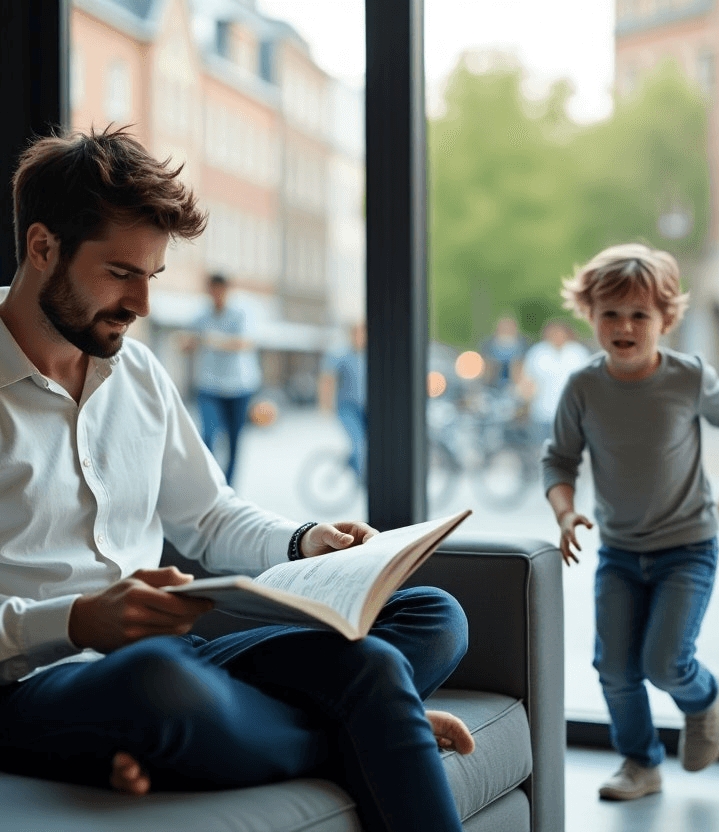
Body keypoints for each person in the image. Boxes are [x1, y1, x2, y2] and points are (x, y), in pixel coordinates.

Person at [0, 127, 474, 832]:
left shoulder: (135, 371)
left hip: (174, 656)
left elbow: (210, 516)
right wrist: (76, 620)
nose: (143, 304)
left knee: (434, 618)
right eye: (121, 272)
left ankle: (334, 720)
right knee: (162, 686)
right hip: (37, 683)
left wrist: (305, 541)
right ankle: (371, 722)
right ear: (43, 248)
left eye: (152, 277)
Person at [543, 243, 719, 802]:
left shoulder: (687, 378)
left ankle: (704, 696)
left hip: (687, 548)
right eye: (610, 314)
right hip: (618, 552)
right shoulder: (582, 388)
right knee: (615, 669)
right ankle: (640, 763)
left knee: (665, 663)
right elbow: (559, 460)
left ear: (665, 320)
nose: (624, 326)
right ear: (589, 315)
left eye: (639, 314)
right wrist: (567, 512)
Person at [186, 272, 262, 485]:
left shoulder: (241, 313)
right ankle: (210, 483)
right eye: (210, 290)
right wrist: (187, 343)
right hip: (209, 385)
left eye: (218, 290)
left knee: (234, 441)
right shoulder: (201, 317)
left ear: (226, 290)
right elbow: (192, 340)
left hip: (239, 386)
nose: (214, 295)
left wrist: (213, 340)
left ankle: (229, 489)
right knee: (208, 436)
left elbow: (246, 343)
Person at [520, 319, 590, 447]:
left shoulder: (577, 353)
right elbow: (527, 381)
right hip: (542, 412)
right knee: (541, 452)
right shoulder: (538, 353)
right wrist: (525, 404)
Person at [318, 322, 367, 479]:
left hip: (366, 408)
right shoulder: (341, 354)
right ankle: (363, 478)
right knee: (358, 444)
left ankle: (356, 464)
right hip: (348, 407)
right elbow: (327, 378)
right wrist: (325, 404)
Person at [480, 314, 528, 390]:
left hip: (516, 386)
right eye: (503, 328)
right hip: (491, 384)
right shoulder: (488, 345)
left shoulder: (524, 346)